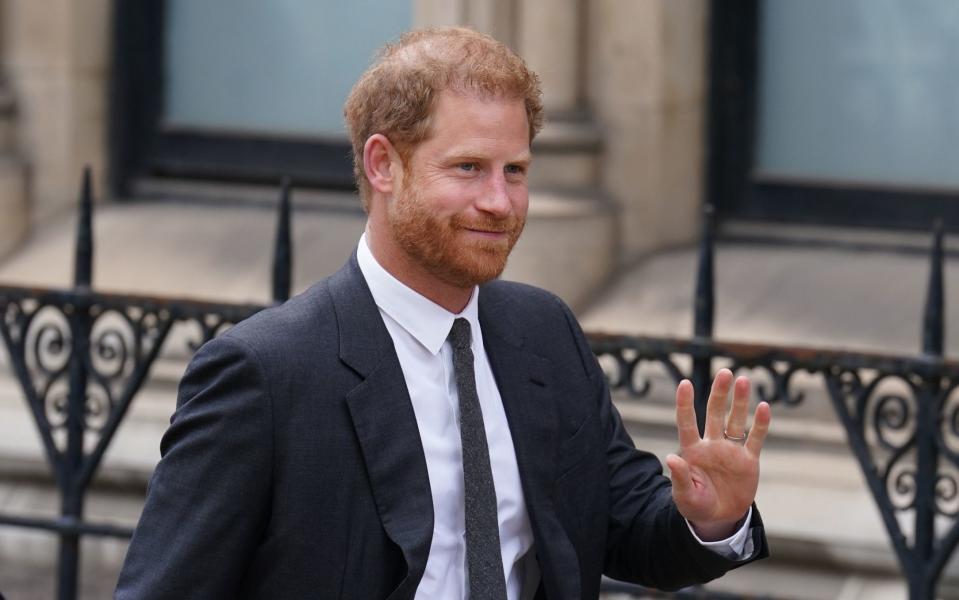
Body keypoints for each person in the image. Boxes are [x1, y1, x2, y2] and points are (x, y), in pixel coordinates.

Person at [115, 27, 770, 599]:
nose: (500, 202)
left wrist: (711, 517)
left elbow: (625, 528)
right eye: (467, 167)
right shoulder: (267, 373)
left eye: (514, 171)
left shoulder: (542, 332)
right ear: (382, 165)